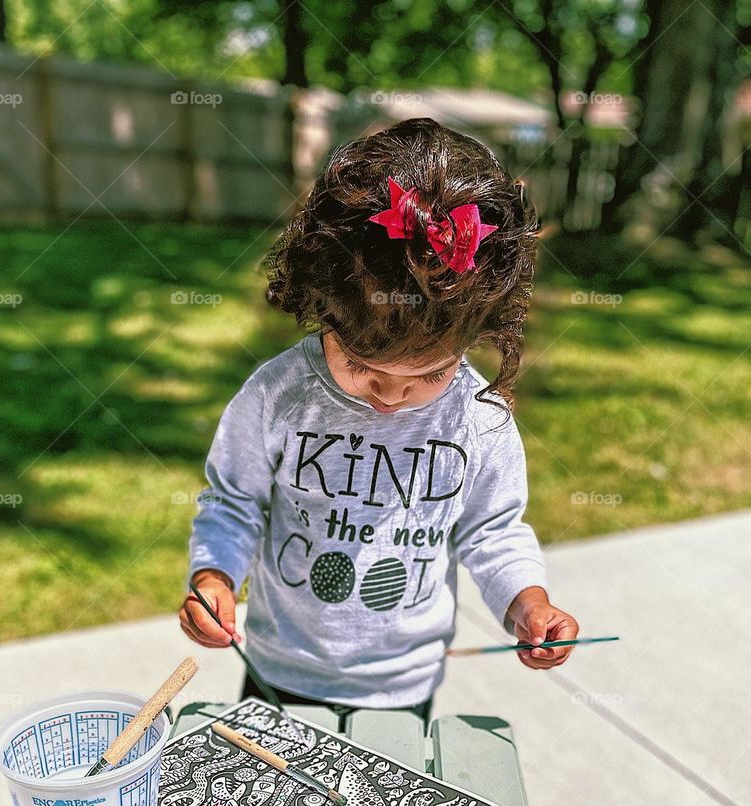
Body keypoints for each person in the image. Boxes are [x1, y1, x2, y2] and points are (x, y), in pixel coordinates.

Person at [179, 117, 580, 726]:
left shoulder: (479, 417)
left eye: (428, 376)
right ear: (324, 313)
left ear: (476, 336)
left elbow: (493, 531)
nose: (392, 398)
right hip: (278, 670)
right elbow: (234, 502)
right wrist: (214, 578)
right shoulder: (279, 395)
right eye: (364, 368)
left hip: (402, 684)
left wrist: (528, 605)